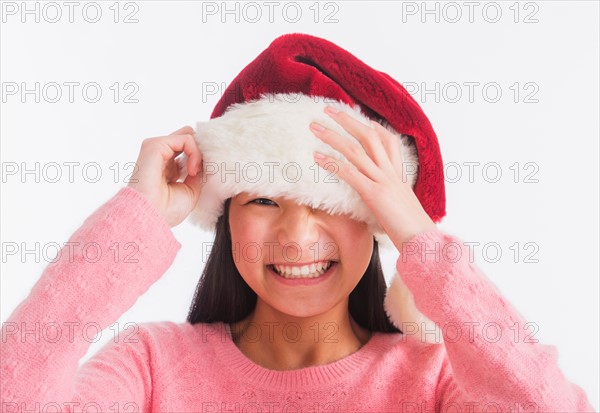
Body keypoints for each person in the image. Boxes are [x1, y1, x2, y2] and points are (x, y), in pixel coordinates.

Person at [1, 33, 595, 413]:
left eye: (335, 203)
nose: (297, 237)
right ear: (227, 213)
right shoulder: (153, 365)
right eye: (263, 200)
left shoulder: (433, 381)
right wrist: (134, 219)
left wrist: (422, 240)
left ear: (377, 220)